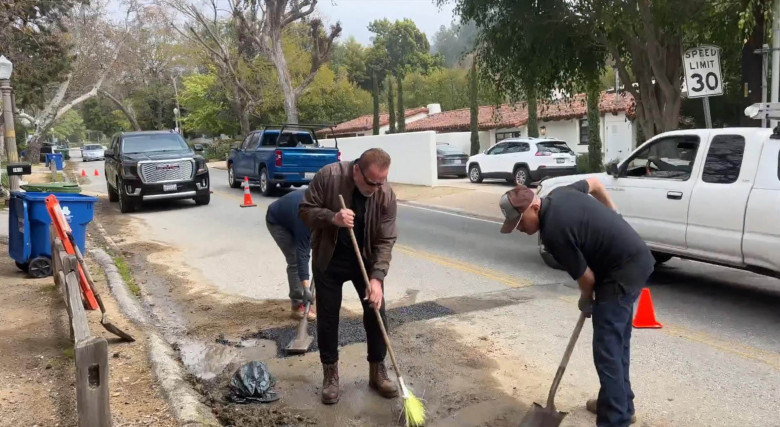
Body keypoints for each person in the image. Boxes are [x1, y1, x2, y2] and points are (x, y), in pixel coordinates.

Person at [499, 178, 654, 427]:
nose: (518, 229)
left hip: (620, 273)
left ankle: (615, 420)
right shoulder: (561, 193)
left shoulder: (553, 233)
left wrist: (585, 301)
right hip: (635, 260)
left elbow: (587, 278)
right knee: (617, 344)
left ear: (534, 208)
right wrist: (613, 213)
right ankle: (620, 404)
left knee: (608, 353)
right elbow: (594, 184)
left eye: (519, 222)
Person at [299, 148, 398, 405]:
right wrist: (332, 217)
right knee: (329, 318)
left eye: (381, 182)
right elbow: (305, 210)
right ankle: (330, 374)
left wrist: (376, 279)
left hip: (364, 261)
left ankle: (377, 370)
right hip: (329, 259)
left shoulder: (385, 194)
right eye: (371, 181)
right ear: (356, 171)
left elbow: (386, 239)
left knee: (377, 313)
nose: (376, 188)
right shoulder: (329, 176)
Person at [266, 189, 315, 320]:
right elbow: (302, 253)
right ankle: (297, 305)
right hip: (277, 222)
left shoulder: (324, 205)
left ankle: (308, 299)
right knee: (294, 259)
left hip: (292, 217)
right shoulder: (304, 217)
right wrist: (306, 287)